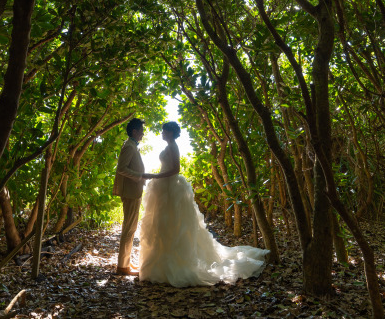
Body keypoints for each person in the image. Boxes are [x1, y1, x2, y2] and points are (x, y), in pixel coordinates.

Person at [138, 121, 269, 287]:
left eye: (164, 131)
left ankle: (173, 264)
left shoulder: (174, 146)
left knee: (173, 224)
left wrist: (155, 176)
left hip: (170, 187)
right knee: (162, 224)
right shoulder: (170, 145)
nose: (162, 133)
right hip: (163, 188)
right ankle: (159, 265)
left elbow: (176, 169)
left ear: (170, 133)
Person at [112, 117, 146, 276]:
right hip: (131, 192)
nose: (143, 134)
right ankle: (122, 266)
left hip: (133, 191)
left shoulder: (132, 145)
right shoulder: (129, 147)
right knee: (128, 229)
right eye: (141, 131)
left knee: (131, 228)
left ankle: (125, 262)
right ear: (134, 131)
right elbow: (121, 169)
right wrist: (140, 176)